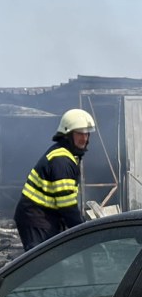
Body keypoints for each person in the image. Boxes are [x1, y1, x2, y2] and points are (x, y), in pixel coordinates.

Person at [13, 108, 96, 251]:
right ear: (68, 134)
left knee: (49, 265)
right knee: (41, 266)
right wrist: (83, 230)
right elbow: (67, 206)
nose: (85, 138)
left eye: (87, 133)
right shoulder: (61, 160)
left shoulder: (63, 155)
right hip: (37, 220)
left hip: (41, 218)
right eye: (79, 133)